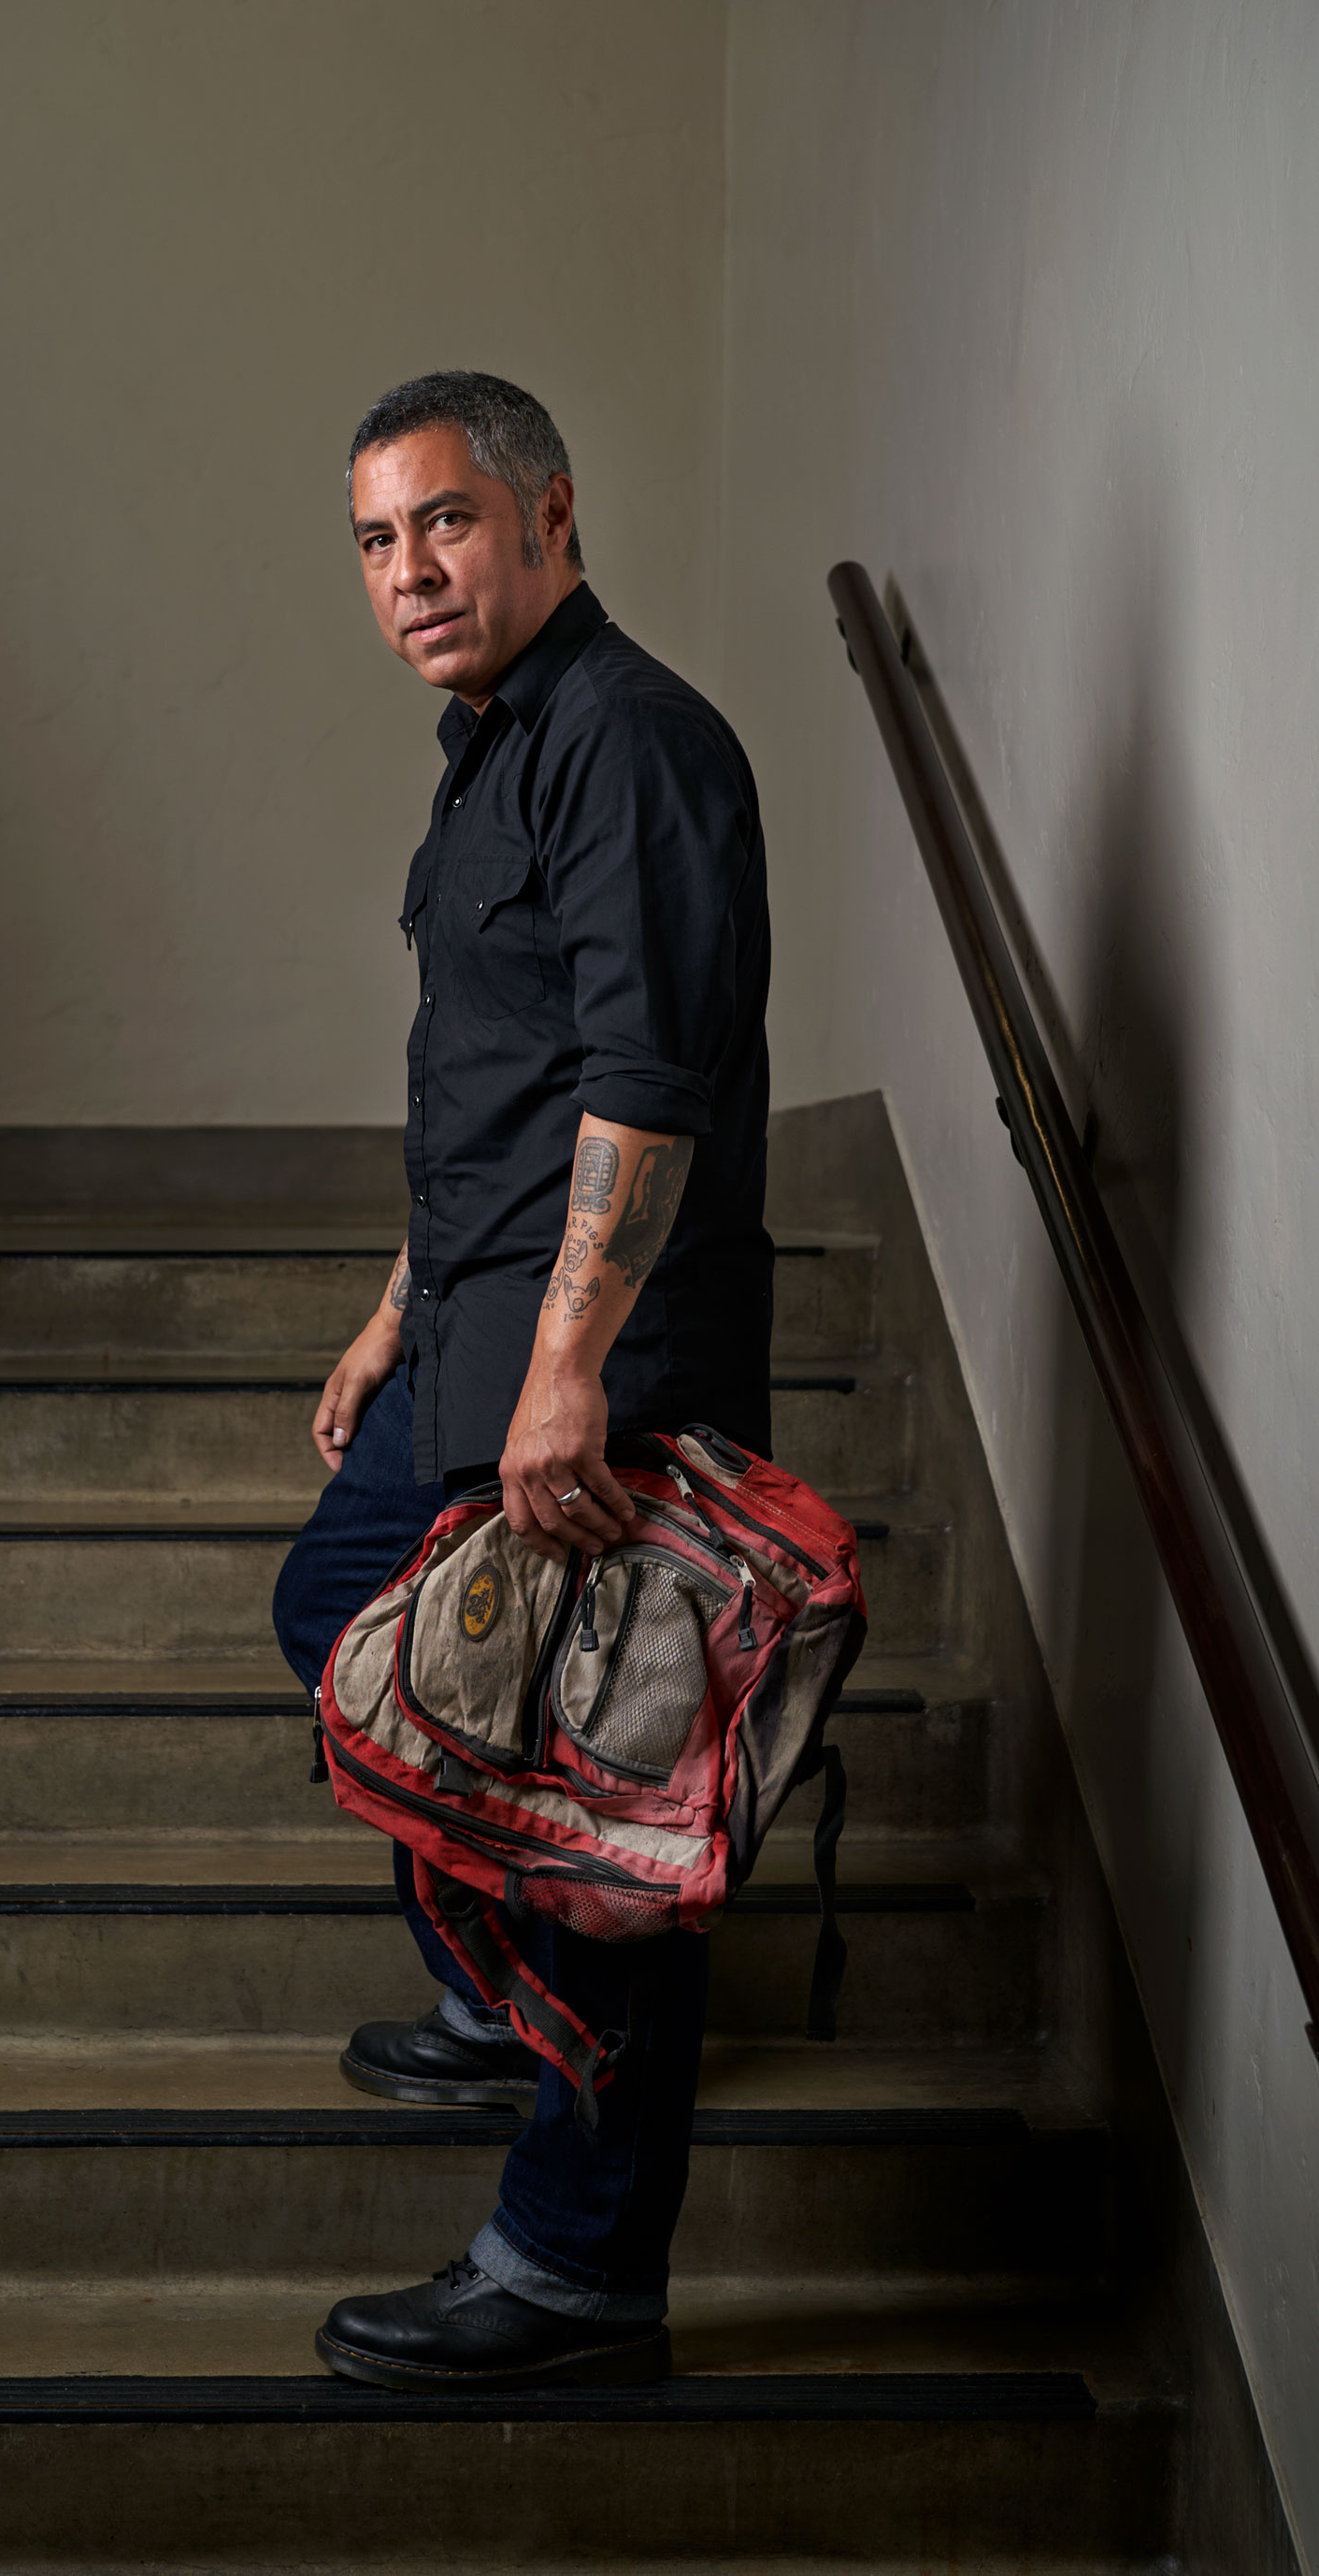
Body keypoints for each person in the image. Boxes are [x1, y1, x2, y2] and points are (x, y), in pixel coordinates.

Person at [271, 370, 772, 2392]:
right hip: (469, 1344)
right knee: (336, 1614)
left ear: (551, 515)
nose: (409, 571)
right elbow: (499, 1087)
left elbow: (642, 1083)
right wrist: (398, 1311)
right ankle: (497, 1998)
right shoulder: (487, 750)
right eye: (376, 540)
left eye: (446, 522)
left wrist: (567, 1364)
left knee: (595, 1814)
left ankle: (576, 2262)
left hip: (596, 1377)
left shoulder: (632, 740)